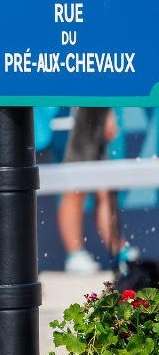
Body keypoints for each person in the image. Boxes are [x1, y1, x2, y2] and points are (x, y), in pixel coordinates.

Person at [59, 107, 139, 275]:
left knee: (104, 190)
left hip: (97, 112)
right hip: (85, 112)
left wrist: (106, 112)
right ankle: (74, 254)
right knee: (76, 189)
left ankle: (118, 250)